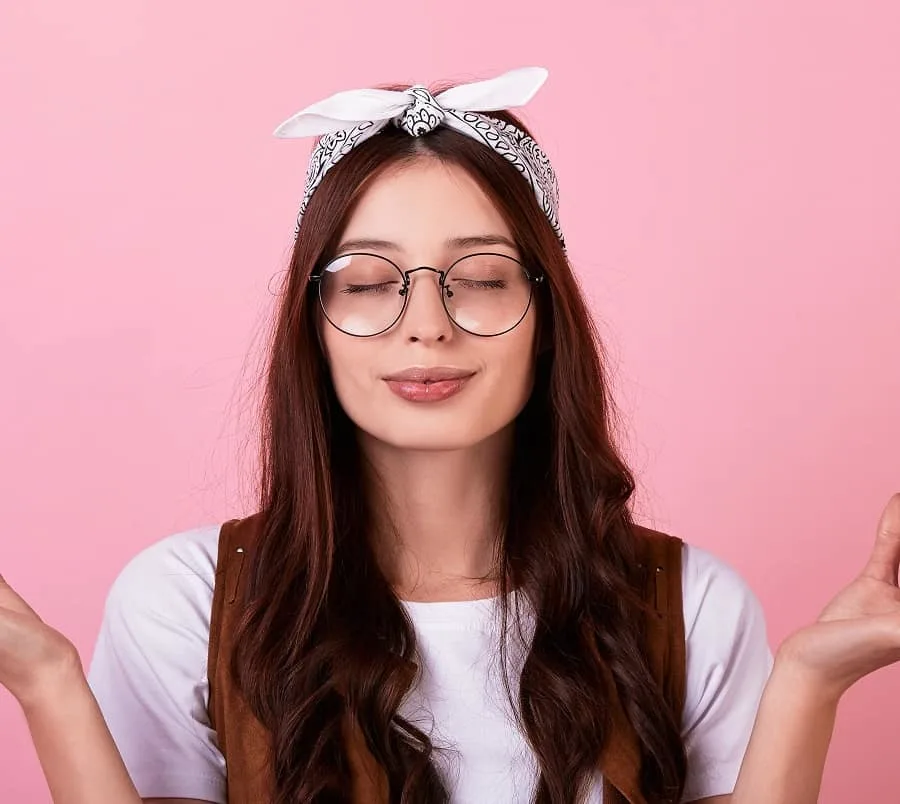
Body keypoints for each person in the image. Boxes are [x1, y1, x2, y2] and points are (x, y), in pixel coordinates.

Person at [0, 66, 898, 804]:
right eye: (366, 280)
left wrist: (811, 682)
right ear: (309, 323)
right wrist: (45, 683)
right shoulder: (190, 600)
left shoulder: (690, 603)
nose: (425, 324)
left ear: (548, 318)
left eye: (480, 277)